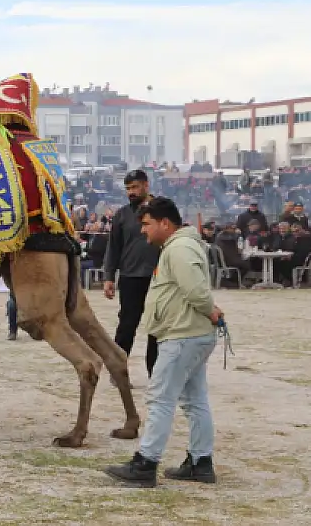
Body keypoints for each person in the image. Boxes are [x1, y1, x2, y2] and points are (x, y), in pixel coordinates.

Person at [105, 196, 223, 487]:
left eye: (146, 224)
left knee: (160, 399)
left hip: (182, 336)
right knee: (195, 401)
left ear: (165, 223)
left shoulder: (179, 248)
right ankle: (200, 462)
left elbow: (196, 291)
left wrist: (212, 311)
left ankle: (146, 463)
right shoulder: (178, 246)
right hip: (189, 334)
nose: (142, 230)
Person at [103, 169, 161, 382]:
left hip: (159, 277)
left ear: (146, 185)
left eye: (135, 187)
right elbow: (113, 247)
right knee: (127, 325)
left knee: (157, 327)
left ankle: (155, 374)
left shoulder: (162, 210)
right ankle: (118, 372)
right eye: (128, 188)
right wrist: (109, 276)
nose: (131, 192)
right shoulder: (122, 215)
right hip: (130, 277)